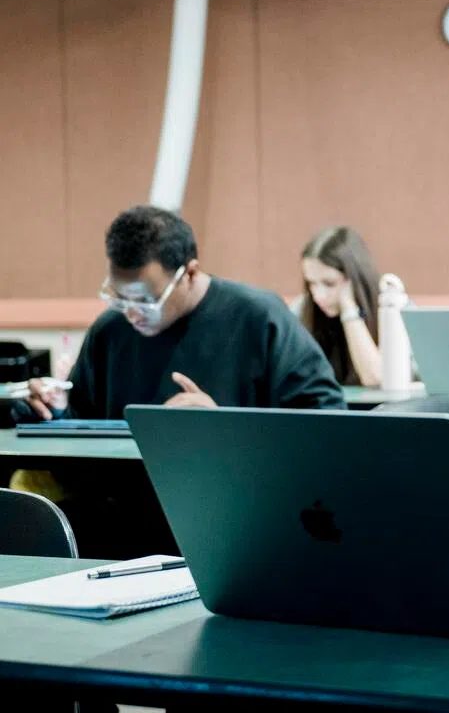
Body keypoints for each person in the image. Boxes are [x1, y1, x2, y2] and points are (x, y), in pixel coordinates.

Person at [10, 205, 345, 558]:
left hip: (236, 526)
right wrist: (56, 413)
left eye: (145, 299)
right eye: (121, 297)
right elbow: (84, 424)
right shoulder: (112, 331)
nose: (133, 312)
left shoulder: (259, 318)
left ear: (190, 273)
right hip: (124, 525)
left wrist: (226, 425)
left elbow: (326, 423)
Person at [298, 227, 383, 387]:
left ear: (354, 279)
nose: (318, 296)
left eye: (329, 284)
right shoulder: (301, 309)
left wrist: (349, 310)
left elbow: (374, 378)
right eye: (311, 283)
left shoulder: (391, 308)